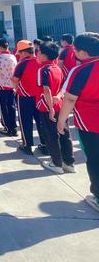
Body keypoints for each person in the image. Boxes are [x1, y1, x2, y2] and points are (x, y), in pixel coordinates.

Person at [58, 32, 99, 212]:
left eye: (75, 49)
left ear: (83, 52)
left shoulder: (81, 70)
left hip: (90, 122)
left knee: (95, 158)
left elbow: (69, 99)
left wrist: (61, 120)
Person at [36, 41, 74, 174]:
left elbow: (46, 90)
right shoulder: (57, 68)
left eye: (39, 52)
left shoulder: (43, 70)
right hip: (60, 104)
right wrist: (57, 98)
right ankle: (68, 162)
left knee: (51, 135)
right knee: (64, 132)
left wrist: (50, 109)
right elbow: (62, 88)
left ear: (45, 55)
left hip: (47, 107)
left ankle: (56, 163)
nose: (37, 54)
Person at [12, 40, 47, 156]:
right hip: (40, 97)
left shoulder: (22, 64)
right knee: (41, 121)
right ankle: (44, 144)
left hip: (24, 97)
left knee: (25, 121)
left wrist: (17, 88)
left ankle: (27, 145)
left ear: (24, 53)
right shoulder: (41, 62)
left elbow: (14, 80)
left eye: (19, 53)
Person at [0, 38, 18, 136]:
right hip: (11, 86)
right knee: (12, 107)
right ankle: (13, 127)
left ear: (0, 47)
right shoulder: (13, 57)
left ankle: (7, 127)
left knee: (3, 108)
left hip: (1, 87)